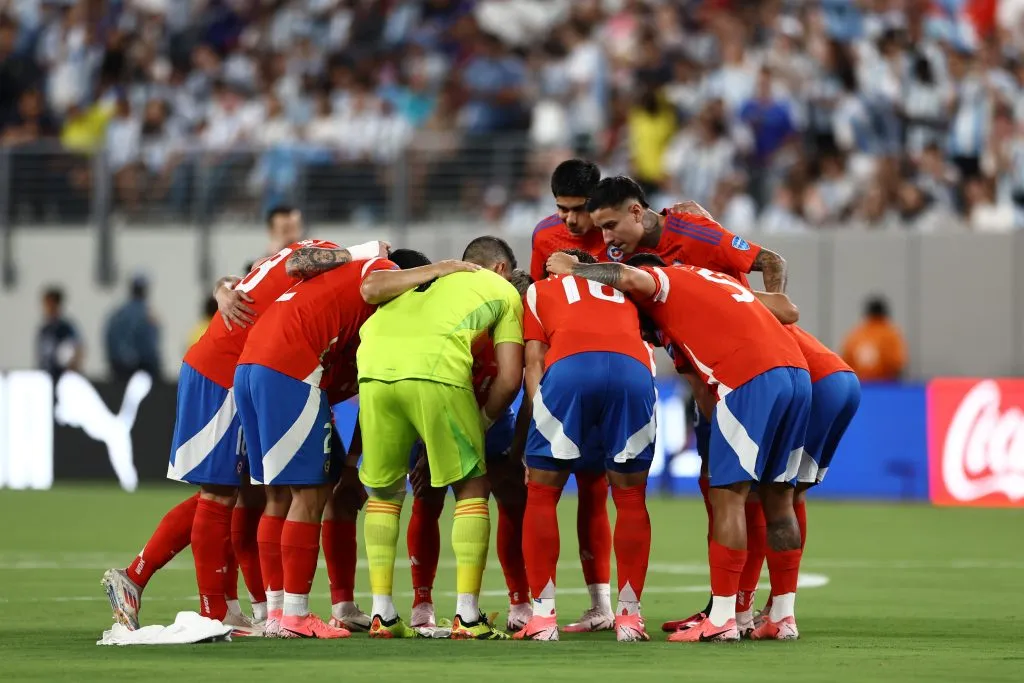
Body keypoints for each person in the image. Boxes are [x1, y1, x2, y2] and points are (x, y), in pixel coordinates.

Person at [100, 239, 386, 635]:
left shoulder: (304, 260)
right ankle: (192, 600)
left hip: (241, 367)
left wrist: (221, 290)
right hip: (224, 368)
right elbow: (278, 272)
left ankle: (249, 608)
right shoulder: (340, 264)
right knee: (219, 495)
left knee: (249, 493)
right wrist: (366, 250)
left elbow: (242, 278)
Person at [546, 252, 810, 643]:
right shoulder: (710, 281)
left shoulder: (660, 282)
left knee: (728, 497)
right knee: (779, 496)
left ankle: (721, 618)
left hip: (750, 378)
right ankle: (783, 616)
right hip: (797, 374)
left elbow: (626, 276)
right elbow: (787, 309)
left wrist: (574, 269)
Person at [584, 176, 791, 632]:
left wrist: (766, 317)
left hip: (742, 379)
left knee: (744, 495)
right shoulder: (622, 254)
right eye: (600, 230)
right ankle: (733, 608)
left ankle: (739, 612)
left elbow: (770, 261)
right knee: (723, 494)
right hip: (709, 384)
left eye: (611, 225)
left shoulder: (694, 231)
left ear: (638, 211)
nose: (607, 240)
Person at [236, 248, 476, 639]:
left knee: (279, 495)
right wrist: (444, 268)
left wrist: (350, 461)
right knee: (311, 495)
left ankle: (278, 613)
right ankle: (295, 616)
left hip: (254, 366)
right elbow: (374, 284)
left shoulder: (351, 315)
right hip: (289, 366)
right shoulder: (379, 270)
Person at [357, 236, 524, 640]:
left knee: (383, 493)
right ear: (503, 269)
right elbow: (510, 376)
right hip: (437, 370)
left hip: (373, 369)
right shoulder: (505, 291)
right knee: (471, 487)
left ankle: (382, 615)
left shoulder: (423, 279)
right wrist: (481, 420)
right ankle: (468, 618)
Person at [513, 249, 656, 643]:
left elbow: (534, 363)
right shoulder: (624, 291)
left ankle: (543, 618)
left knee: (542, 494)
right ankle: (629, 618)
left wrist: (533, 435)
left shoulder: (541, 290)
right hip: (634, 373)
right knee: (630, 498)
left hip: (570, 369)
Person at [402, 251, 533, 632]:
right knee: (427, 495)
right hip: (435, 415)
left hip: (492, 417)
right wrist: (429, 446)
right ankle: (421, 602)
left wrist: (517, 450)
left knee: (512, 497)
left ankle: (520, 600)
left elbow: (519, 389)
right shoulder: (455, 322)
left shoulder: (521, 325)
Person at [528, 159, 619, 631]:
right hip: (563, 375)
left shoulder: (616, 231)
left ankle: (602, 605)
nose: (569, 220)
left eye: (578, 210)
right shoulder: (545, 236)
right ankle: (541, 606)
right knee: (545, 488)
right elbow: (537, 300)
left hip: (615, 367)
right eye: (561, 209)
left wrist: (581, 268)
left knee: (595, 489)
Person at [104, 274, 161, 382]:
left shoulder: (118, 314)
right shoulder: (147, 315)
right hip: (143, 370)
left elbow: (109, 339)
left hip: (119, 370)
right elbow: (151, 347)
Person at [841, 296, 907, 381]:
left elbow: (845, 363)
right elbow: (897, 363)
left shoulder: (856, 334)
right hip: (885, 386)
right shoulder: (891, 334)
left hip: (859, 385)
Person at [37, 285, 82, 381]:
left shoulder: (66, 328)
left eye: (50, 304)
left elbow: (78, 350)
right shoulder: (44, 330)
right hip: (46, 376)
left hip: (62, 377)